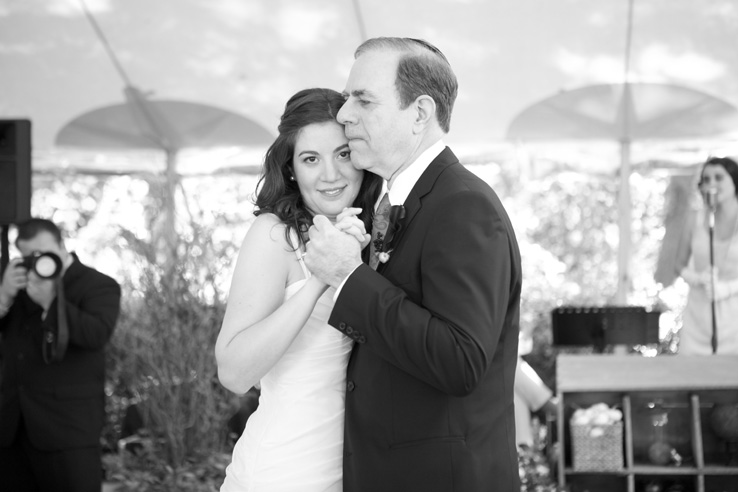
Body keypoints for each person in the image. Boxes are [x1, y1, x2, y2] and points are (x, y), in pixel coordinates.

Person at [304, 37, 522, 492]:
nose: (343, 114)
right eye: (346, 99)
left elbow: (461, 360)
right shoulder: (389, 202)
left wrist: (348, 276)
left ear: (420, 113)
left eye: (363, 100)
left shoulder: (463, 205)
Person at [215, 87, 382, 492]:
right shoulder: (276, 235)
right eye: (311, 159)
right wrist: (322, 277)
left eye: (343, 153)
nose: (331, 174)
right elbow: (234, 373)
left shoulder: (372, 232)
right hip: (284, 471)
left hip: (353, 470)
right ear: (290, 169)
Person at [0, 218, 121, 491]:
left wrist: (50, 302)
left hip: (68, 431)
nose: (37, 261)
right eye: (28, 255)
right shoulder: (17, 284)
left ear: (62, 246)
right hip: (12, 428)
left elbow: (96, 334)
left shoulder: (98, 285)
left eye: (43, 253)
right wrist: (4, 295)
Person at [674, 156, 738, 355]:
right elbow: (679, 265)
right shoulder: (694, 218)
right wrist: (696, 278)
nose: (711, 184)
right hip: (698, 320)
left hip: (734, 319)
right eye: (706, 179)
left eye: (719, 177)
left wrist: (728, 288)